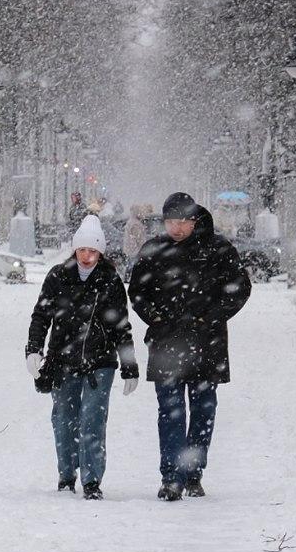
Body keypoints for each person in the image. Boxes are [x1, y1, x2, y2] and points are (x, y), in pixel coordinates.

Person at [128, 191, 252, 501]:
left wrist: (210, 316)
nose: (177, 227)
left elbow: (239, 289)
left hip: (206, 343)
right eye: (171, 221)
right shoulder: (154, 250)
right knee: (170, 412)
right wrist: (155, 317)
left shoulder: (218, 249)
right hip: (166, 343)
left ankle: (193, 472)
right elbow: (138, 292)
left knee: (202, 410)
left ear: (194, 220)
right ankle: (172, 477)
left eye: (183, 221)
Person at [25, 214, 138, 499]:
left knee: (93, 420)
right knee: (64, 419)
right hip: (62, 360)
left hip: (100, 362)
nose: (87, 256)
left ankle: (92, 480)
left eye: (93, 251)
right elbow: (41, 315)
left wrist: (129, 365)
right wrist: (34, 349)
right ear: (75, 249)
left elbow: (121, 325)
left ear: (101, 252)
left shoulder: (110, 280)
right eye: (82, 250)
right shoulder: (57, 276)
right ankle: (66, 475)